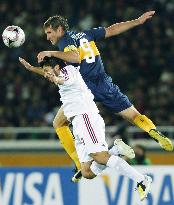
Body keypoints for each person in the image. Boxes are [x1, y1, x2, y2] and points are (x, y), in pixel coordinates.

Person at [19, 56, 152, 201]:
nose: (46, 75)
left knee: (101, 157)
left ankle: (141, 180)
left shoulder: (68, 72)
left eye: (47, 71)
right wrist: (33, 69)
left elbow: (64, 79)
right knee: (87, 172)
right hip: (77, 123)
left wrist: (57, 80)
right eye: (44, 72)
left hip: (86, 118)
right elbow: (52, 74)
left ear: (57, 68)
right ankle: (116, 150)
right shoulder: (58, 72)